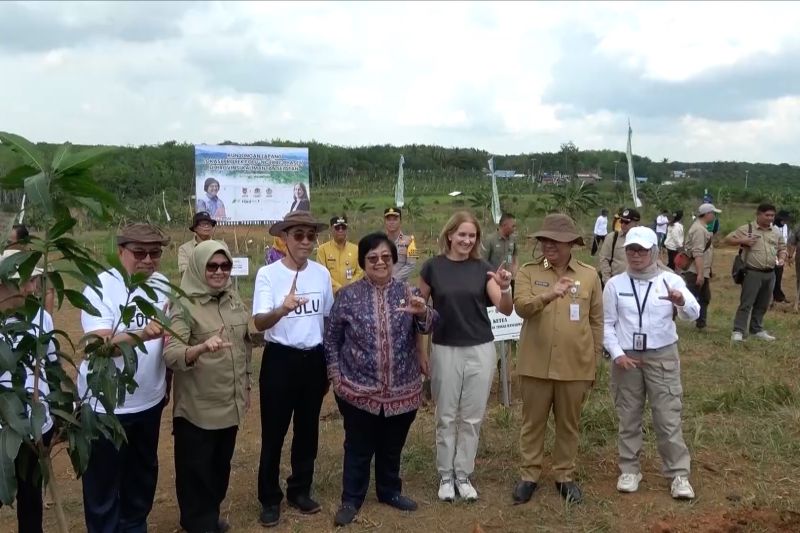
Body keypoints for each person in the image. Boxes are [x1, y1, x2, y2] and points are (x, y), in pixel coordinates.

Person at [324, 232, 439, 527]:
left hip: (403, 389)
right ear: (363, 261)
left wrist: (423, 311)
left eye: (386, 257)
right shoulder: (348, 296)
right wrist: (336, 376)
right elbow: (331, 339)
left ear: (393, 260)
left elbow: (430, 324)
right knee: (359, 447)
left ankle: (389, 491)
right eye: (372, 257)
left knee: (392, 446)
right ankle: (351, 499)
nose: (380, 262)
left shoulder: (407, 291)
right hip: (358, 390)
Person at [79, 223, 170, 533]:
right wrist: (140, 334)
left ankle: (134, 525)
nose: (148, 259)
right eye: (139, 252)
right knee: (103, 482)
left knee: (141, 475)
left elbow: (169, 335)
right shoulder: (100, 287)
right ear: (120, 252)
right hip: (106, 405)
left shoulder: (163, 285)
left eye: (155, 253)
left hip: (149, 400)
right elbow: (97, 346)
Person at [418, 211, 513, 502]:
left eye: (472, 236)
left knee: (471, 417)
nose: (466, 240)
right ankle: (445, 474)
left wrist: (506, 287)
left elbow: (505, 309)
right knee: (445, 415)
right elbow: (419, 312)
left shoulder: (483, 269)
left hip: (480, 349)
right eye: (462, 234)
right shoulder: (432, 268)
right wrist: (421, 350)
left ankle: (463, 474)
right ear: (449, 235)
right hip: (445, 348)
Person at [511, 214, 602, 505]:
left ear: (571, 243)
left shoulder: (589, 275)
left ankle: (564, 476)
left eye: (556, 241)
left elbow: (597, 321)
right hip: (534, 363)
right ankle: (529, 475)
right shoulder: (527, 271)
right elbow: (522, 307)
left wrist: (593, 359)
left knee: (568, 424)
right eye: (545, 240)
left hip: (576, 366)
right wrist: (549, 295)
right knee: (532, 423)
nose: (549, 245)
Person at [603, 227, 699, 500]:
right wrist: (616, 352)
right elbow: (607, 325)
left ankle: (679, 474)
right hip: (627, 358)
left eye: (642, 250)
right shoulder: (615, 285)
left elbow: (693, 313)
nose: (636, 255)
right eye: (631, 249)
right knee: (628, 415)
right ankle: (630, 469)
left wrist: (681, 302)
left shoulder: (670, 281)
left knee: (667, 417)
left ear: (654, 252)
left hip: (662, 356)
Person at [252, 211, 334, 528]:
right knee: (274, 432)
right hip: (280, 360)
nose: (305, 241)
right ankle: (269, 498)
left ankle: (300, 489)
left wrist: (327, 361)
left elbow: (326, 319)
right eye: (298, 234)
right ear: (284, 238)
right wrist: (281, 309)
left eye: (310, 235)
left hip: (312, 359)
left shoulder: (321, 275)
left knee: (307, 430)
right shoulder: (268, 275)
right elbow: (259, 323)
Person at [164, 240, 252, 533]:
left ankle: (209, 516)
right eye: (212, 266)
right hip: (198, 409)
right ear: (199, 267)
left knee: (219, 468)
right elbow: (172, 353)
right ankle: (197, 522)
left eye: (225, 266)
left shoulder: (232, 298)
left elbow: (245, 340)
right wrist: (199, 349)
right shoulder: (183, 304)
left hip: (231, 402)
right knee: (195, 472)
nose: (219, 272)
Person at [0, 251, 59, 533]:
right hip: (2, 427)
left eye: (34, 280)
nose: (32, 288)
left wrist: (57, 411)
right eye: (24, 281)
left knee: (31, 501)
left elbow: (51, 365)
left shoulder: (40, 318)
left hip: (37, 423)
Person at [726, 203, 787, 342]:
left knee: (763, 303)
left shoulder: (776, 231)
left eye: (772, 215)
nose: (770, 218)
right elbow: (728, 239)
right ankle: (738, 331)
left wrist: (782, 258)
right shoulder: (747, 229)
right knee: (746, 303)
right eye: (767, 215)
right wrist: (743, 240)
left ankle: (756, 329)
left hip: (770, 273)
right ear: (758, 214)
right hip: (752, 272)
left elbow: (781, 247)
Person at [681, 203, 720, 330]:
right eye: (713, 213)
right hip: (695, 271)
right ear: (707, 214)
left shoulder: (701, 228)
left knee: (704, 297)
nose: (714, 216)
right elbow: (698, 253)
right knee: (686, 298)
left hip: (700, 270)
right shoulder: (699, 229)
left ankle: (701, 324)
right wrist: (700, 274)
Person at [317, 215, 363, 294]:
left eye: (343, 228)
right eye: (337, 228)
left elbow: (360, 272)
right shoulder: (322, 250)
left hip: (351, 294)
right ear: (331, 229)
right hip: (331, 294)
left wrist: (349, 288)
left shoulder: (356, 249)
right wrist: (338, 288)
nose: (340, 230)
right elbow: (322, 273)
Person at [598, 208, 641, 285]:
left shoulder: (643, 239)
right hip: (616, 283)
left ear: (636, 223)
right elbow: (604, 259)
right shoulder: (612, 238)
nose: (622, 225)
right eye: (621, 221)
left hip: (638, 284)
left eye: (626, 222)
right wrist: (608, 282)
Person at [383, 207, 418, 282]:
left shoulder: (410, 241)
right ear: (385, 221)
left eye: (395, 219)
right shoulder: (380, 242)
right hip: (381, 284)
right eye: (388, 219)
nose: (391, 222)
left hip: (401, 285)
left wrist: (394, 279)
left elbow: (411, 265)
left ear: (400, 221)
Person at [482, 213, 518, 277]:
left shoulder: (513, 239)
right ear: (504, 225)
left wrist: (513, 272)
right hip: (493, 279)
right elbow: (483, 262)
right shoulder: (490, 239)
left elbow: (514, 257)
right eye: (513, 226)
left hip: (508, 279)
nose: (515, 228)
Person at [772, 211, 790, 303]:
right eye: (783, 220)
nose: (785, 222)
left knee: (778, 276)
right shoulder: (772, 227)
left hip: (781, 255)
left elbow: (786, 241)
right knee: (772, 276)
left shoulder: (786, 227)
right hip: (772, 254)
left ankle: (777, 296)